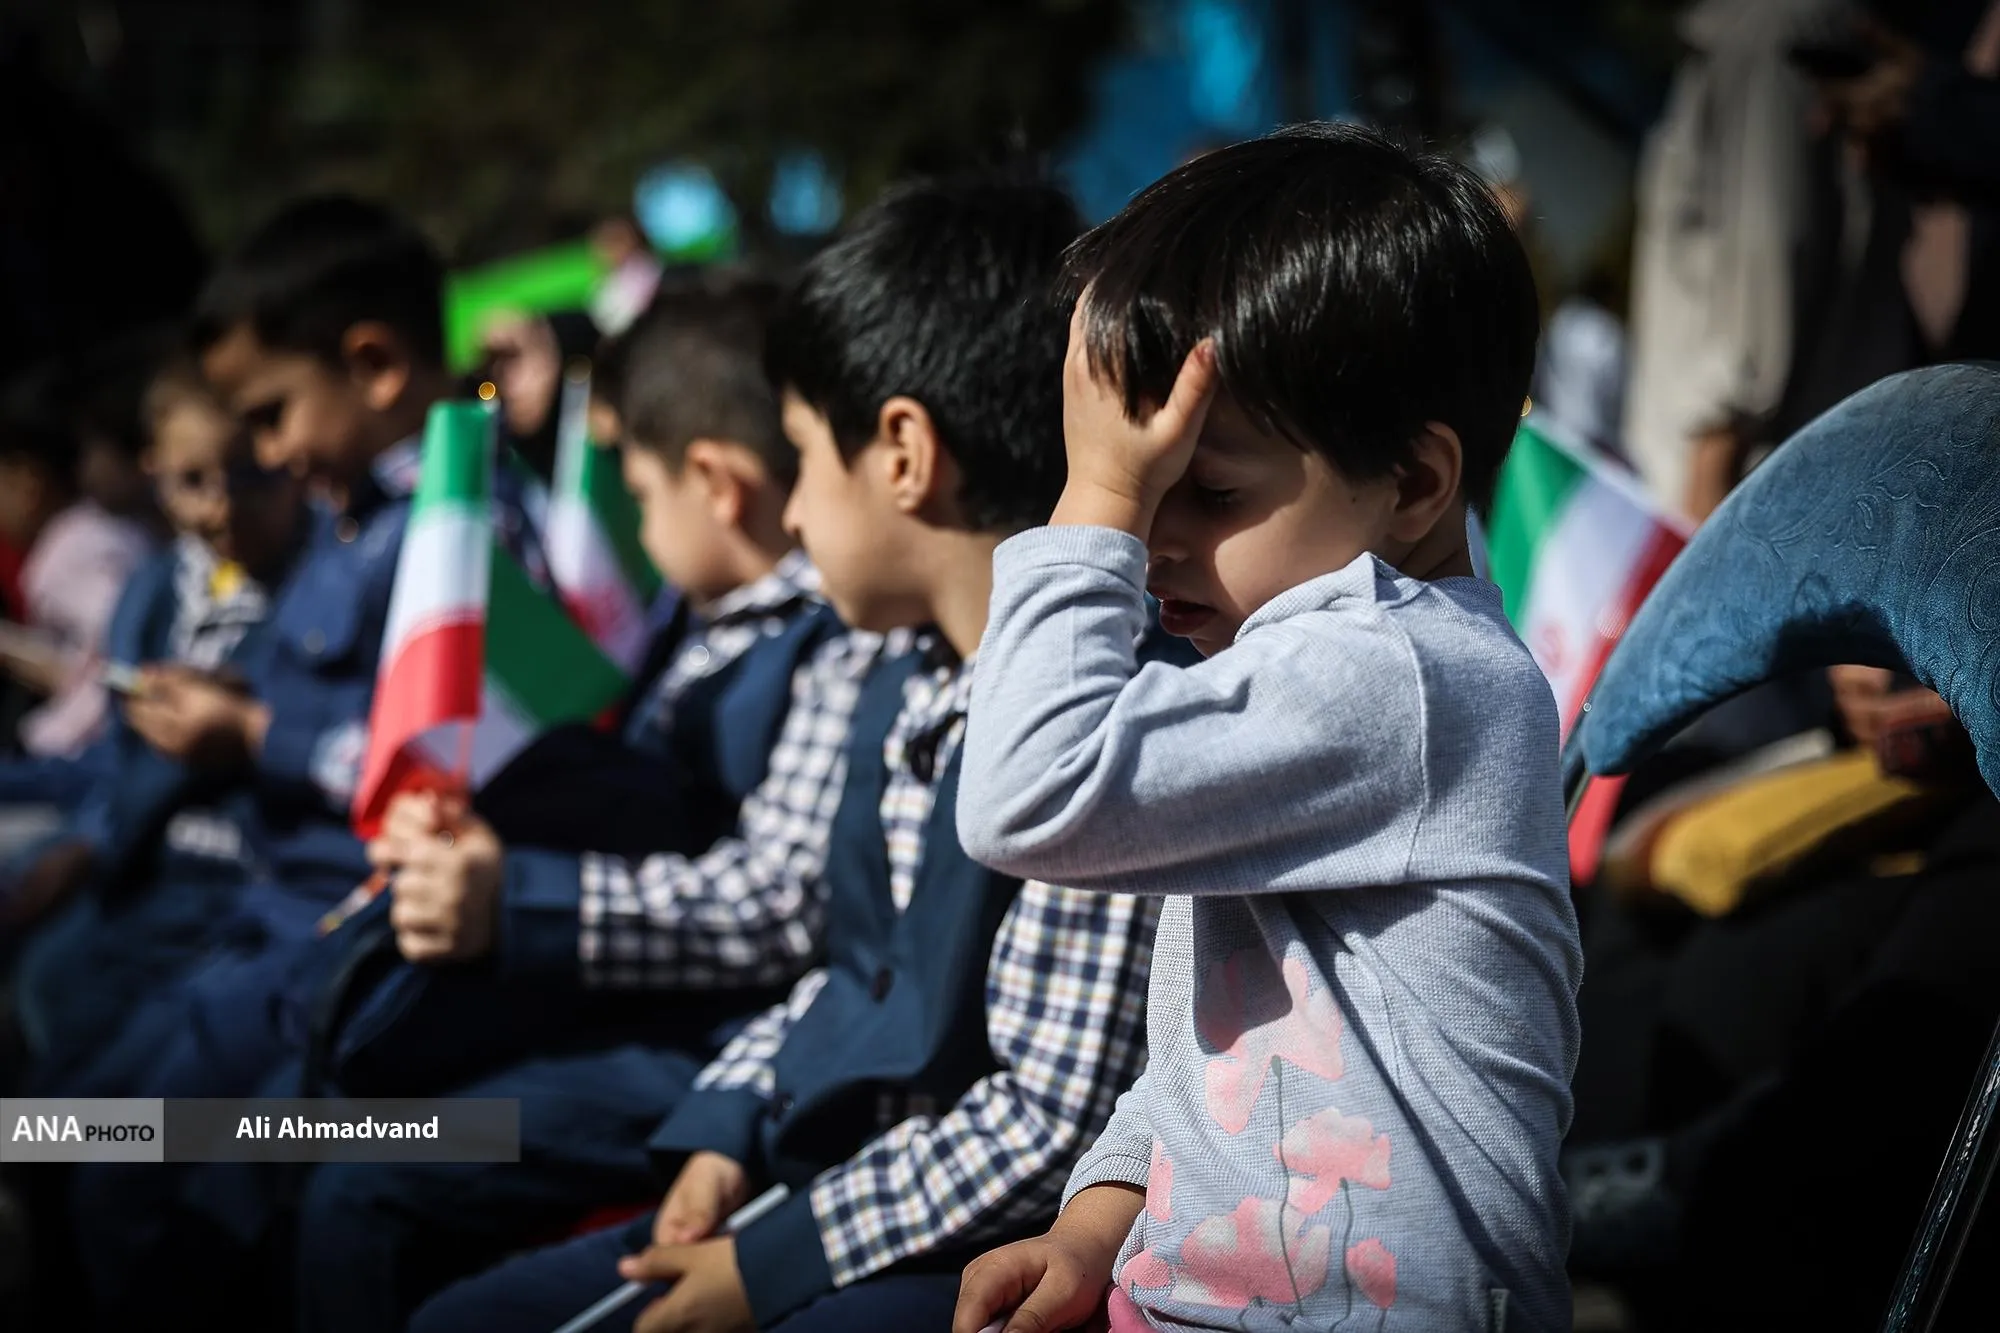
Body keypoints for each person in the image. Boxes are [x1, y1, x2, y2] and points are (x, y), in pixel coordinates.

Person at [409, 170, 1187, 1333]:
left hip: (966, 1238)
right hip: (820, 1163)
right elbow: (843, 960)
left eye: (804, 458)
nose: (790, 513)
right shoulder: (896, 668)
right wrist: (728, 1125)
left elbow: (1046, 1116)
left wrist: (772, 1261)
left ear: (904, 454)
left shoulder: (1103, 708)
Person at [950, 123, 1578, 1333]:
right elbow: (1215, 1064)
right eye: (1147, 486)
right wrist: (1093, 1225)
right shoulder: (1308, 670)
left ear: (1411, 485)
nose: (1152, 540)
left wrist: (1096, 497)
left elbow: (1024, 795)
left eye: (1209, 490)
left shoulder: (1396, 672)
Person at [57, 194, 549, 1329]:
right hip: (259, 923)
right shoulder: (349, 517)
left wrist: (252, 736)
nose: (268, 453)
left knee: (142, 1198)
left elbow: (445, 770)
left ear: (373, 365)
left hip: (333, 953)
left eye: (273, 415)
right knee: (68, 1131)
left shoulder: (463, 528)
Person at [6, 359, 306, 1066]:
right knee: (56, 1013)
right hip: (143, 882)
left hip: (242, 900)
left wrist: (245, 731)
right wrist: (85, 844)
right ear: (156, 473)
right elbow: (118, 756)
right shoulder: (151, 593)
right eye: (192, 481)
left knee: (127, 1107)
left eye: (248, 475)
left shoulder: (309, 585)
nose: (222, 507)